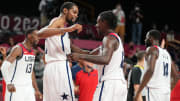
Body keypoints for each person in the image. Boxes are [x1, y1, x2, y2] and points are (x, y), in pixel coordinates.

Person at [36, 2, 91, 101]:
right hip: (59, 67)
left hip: (51, 68)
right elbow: (40, 34)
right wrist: (69, 29)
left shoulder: (63, 30)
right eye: (74, 12)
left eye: (77, 14)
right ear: (65, 11)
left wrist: (91, 53)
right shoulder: (58, 22)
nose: (76, 15)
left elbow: (74, 48)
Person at [69, 11, 127, 101]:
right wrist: (70, 45)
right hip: (119, 84)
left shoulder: (108, 38)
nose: (96, 25)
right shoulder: (114, 39)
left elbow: (105, 59)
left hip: (109, 84)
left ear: (104, 22)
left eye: (98, 22)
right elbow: (89, 54)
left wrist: (80, 57)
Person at [134, 29, 180, 101]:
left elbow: (150, 70)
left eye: (146, 38)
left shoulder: (151, 49)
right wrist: (169, 89)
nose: (145, 40)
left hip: (154, 91)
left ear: (151, 38)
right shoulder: (167, 54)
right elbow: (176, 76)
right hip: (165, 93)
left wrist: (138, 92)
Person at [0, 29, 42, 101]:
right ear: (29, 36)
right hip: (16, 87)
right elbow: (4, 67)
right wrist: (9, 83)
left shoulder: (33, 52)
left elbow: (31, 72)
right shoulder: (18, 49)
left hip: (28, 88)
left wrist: (36, 89)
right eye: (36, 36)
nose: (38, 38)